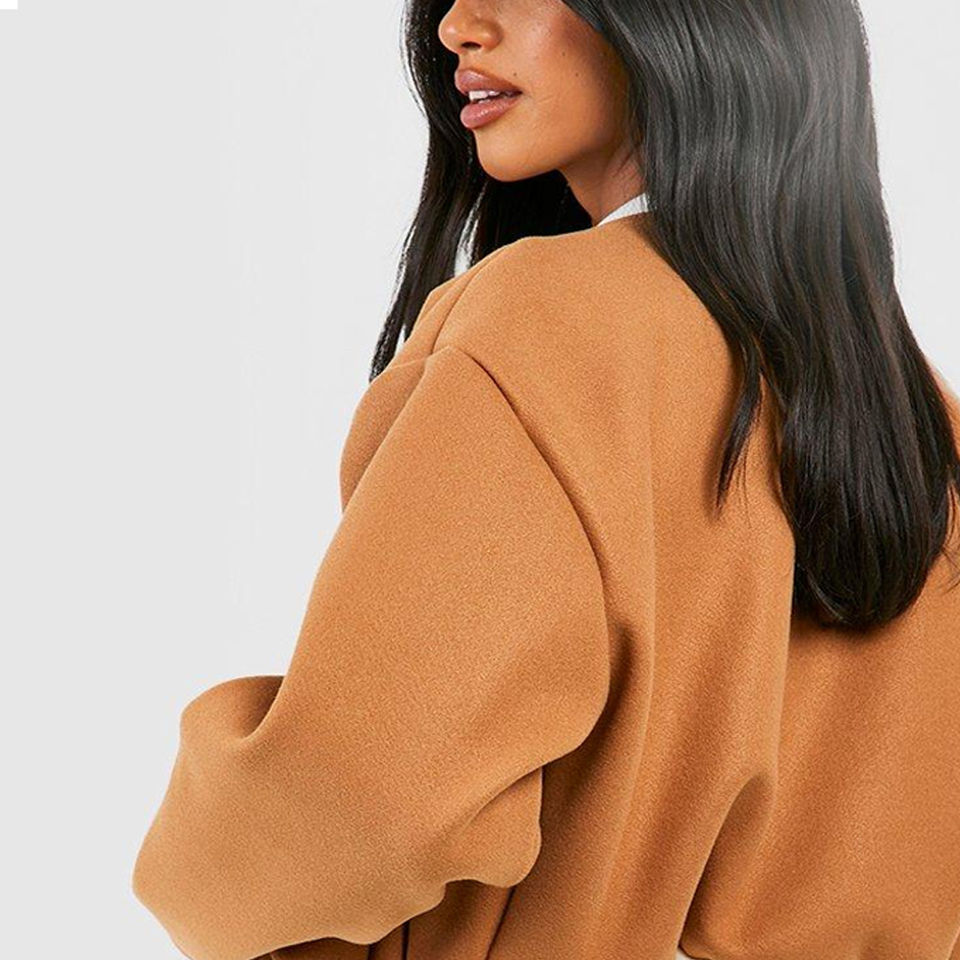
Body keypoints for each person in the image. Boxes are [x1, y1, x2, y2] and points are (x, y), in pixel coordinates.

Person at [131, 1, 960, 958]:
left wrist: (206, 841)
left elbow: (355, 804)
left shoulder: (546, 328)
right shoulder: (918, 414)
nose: (456, 25)